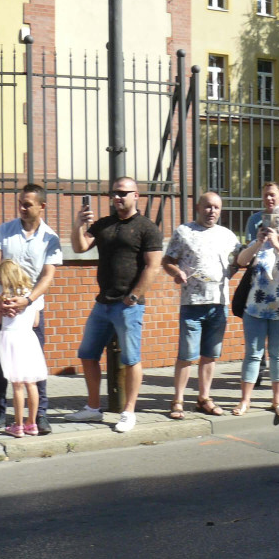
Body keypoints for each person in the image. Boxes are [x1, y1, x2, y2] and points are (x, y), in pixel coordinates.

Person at [66, 177, 163, 433]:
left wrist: (134, 296)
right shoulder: (104, 224)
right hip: (103, 303)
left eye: (123, 193)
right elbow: (80, 247)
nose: (118, 197)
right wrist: (78, 224)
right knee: (87, 354)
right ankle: (93, 409)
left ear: (136, 195)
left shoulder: (147, 227)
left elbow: (154, 266)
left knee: (131, 359)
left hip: (128, 305)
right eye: (115, 193)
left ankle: (129, 412)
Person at [0, 183, 62, 435]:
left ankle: (39, 417)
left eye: (28, 204)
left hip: (31, 310)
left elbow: (48, 276)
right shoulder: (5, 231)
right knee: (0, 364)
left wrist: (27, 301)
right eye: (20, 203)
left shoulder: (50, 237)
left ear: (42, 207)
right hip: (3, 306)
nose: (22, 208)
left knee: (33, 367)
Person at [162, 192, 241, 419]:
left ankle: (204, 398)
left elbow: (239, 261)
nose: (212, 211)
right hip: (192, 303)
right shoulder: (184, 232)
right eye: (207, 207)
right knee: (187, 355)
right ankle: (178, 400)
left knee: (210, 355)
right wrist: (176, 273)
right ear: (198, 207)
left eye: (216, 207)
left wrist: (231, 272)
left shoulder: (228, 236)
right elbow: (167, 260)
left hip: (218, 303)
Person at [232, 204, 279, 418]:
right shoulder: (261, 245)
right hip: (256, 308)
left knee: (278, 355)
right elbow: (241, 261)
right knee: (252, 355)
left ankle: (277, 400)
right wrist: (258, 243)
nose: (275, 226)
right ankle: (245, 400)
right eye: (274, 220)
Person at [0, 260, 48, 437]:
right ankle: (31, 423)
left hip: (11, 338)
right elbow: (36, 322)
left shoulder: (2, 294)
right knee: (31, 383)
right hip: (28, 338)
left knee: (17, 384)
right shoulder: (32, 295)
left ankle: (18, 425)